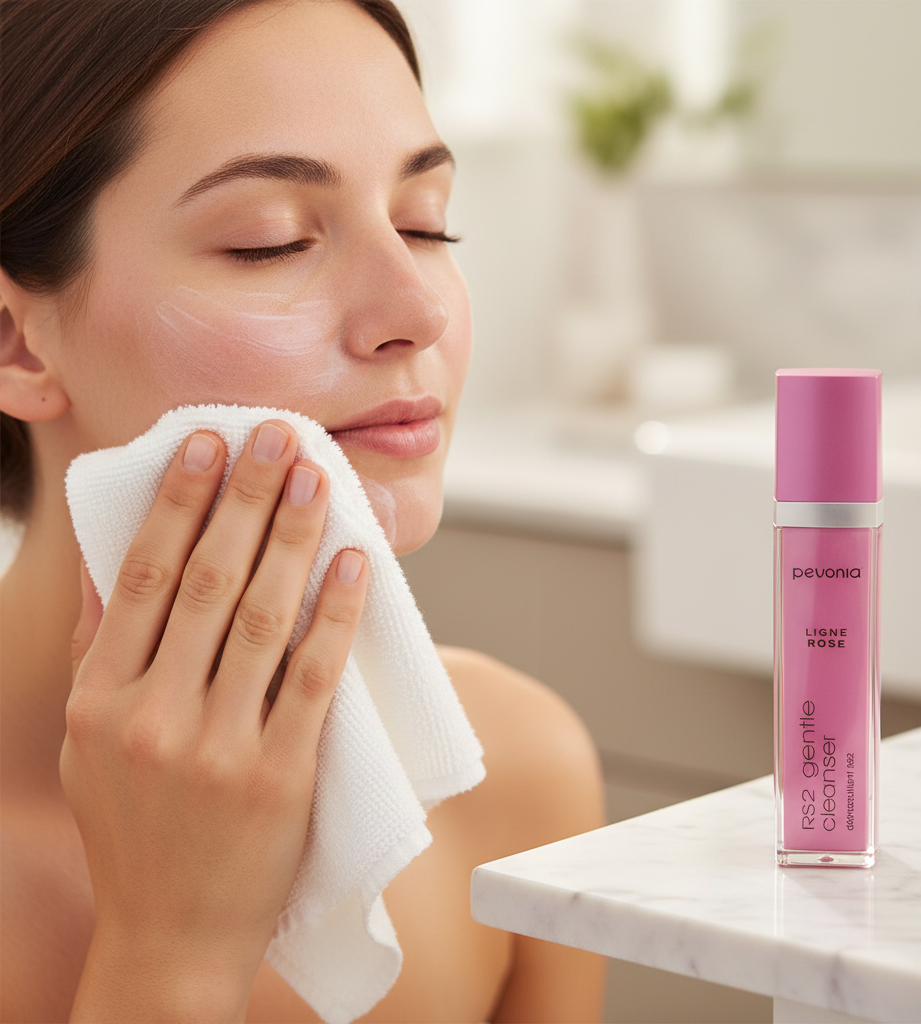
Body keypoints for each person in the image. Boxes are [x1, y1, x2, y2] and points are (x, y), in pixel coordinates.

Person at [0, 1, 606, 1020]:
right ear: (18, 343)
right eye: (268, 243)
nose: (416, 311)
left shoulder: (513, 775)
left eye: (426, 223)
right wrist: (169, 957)